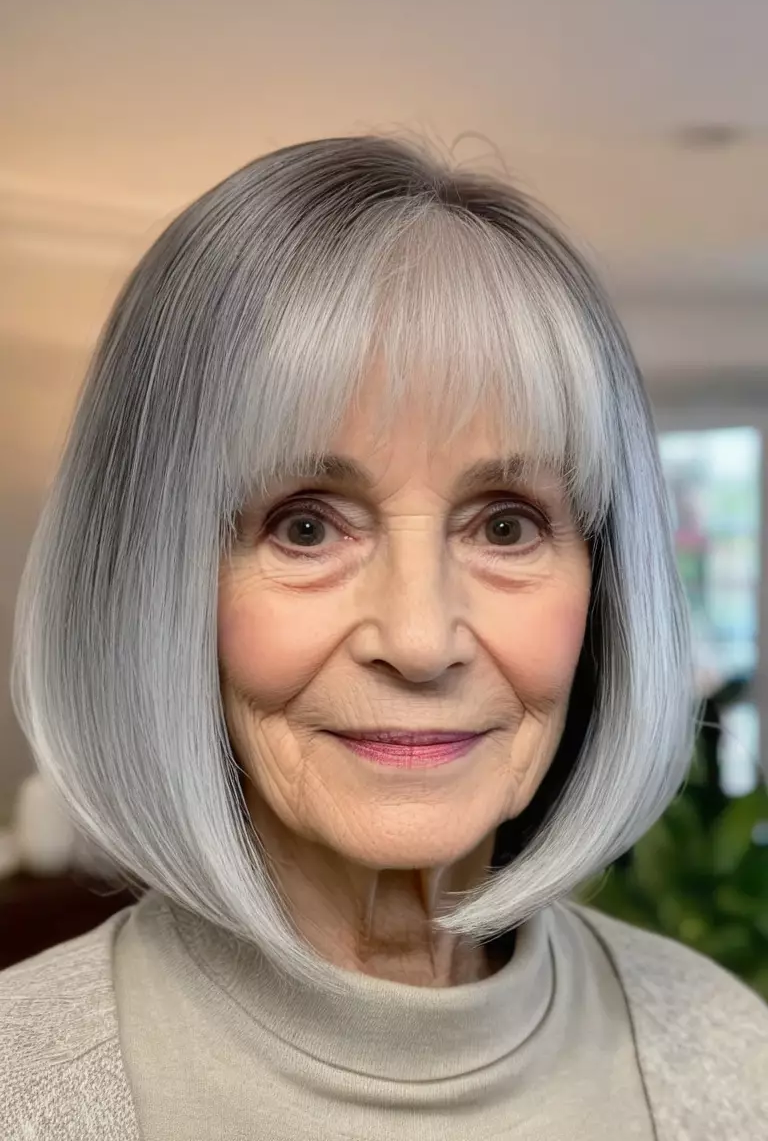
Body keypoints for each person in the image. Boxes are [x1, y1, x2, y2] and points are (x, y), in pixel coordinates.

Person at [2, 136, 766, 1141]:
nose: (418, 639)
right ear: (156, 588)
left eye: (505, 523)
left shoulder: (730, 1061)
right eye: (306, 524)